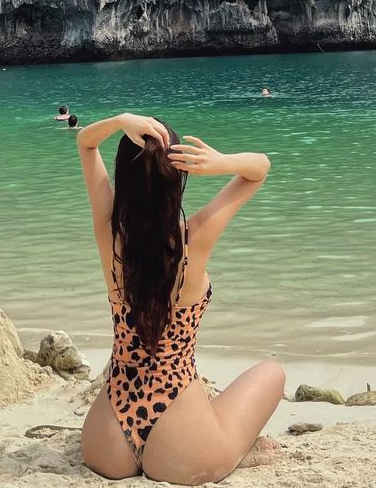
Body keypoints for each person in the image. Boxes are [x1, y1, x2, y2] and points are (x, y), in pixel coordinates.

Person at [76, 111, 283, 484]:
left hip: (106, 441)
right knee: (272, 372)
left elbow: (85, 142)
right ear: (178, 180)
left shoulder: (110, 234)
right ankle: (235, 452)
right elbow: (260, 168)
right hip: (181, 440)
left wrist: (120, 120)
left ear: (123, 178)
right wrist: (220, 163)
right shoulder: (195, 238)